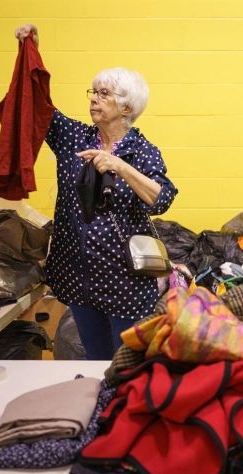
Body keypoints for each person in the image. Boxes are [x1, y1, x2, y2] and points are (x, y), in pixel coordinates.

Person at [14, 24, 177, 360]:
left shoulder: (142, 151)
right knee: (96, 359)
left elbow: (161, 198)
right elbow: (39, 107)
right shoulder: (73, 137)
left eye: (104, 94)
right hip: (79, 275)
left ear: (126, 108)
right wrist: (32, 51)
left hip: (124, 279)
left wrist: (119, 166)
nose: (94, 99)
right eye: (93, 92)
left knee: (127, 362)